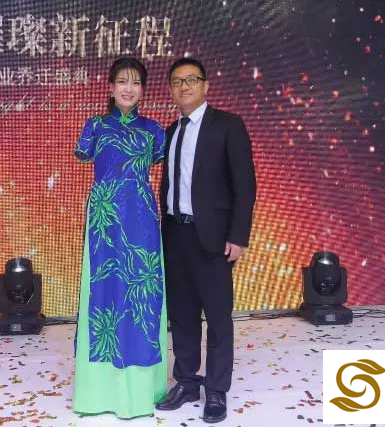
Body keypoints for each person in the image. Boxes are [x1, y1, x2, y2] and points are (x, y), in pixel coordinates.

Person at [156, 58, 256, 424]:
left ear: (206, 86)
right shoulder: (169, 131)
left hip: (213, 237)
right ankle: (186, 382)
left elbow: (245, 185)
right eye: (177, 81)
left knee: (217, 316)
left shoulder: (227, 125)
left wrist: (238, 235)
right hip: (175, 234)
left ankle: (216, 389)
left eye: (192, 79)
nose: (184, 86)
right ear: (171, 89)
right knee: (182, 315)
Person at [72, 57, 167, 419]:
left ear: (143, 89)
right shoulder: (95, 126)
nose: (129, 88)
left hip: (141, 219)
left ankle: (142, 389)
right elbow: (85, 157)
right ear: (110, 87)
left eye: (136, 82)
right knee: (104, 294)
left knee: (142, 296)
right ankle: (98, 392)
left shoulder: (154, 131)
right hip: (104, 221)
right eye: (123, 81)